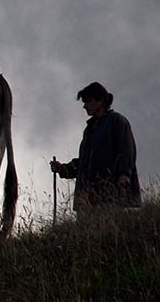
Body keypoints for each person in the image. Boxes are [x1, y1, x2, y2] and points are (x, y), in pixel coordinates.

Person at [50, 82, 141, 211]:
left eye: (88, 101)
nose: (84, 106)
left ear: (101, 101)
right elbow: (85, 162)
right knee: (88, 230)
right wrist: (64, 169)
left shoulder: (117, 121)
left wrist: (124, 174)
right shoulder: (90, 129)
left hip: (111, 195)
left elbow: (126, 151)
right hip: (88, 199)